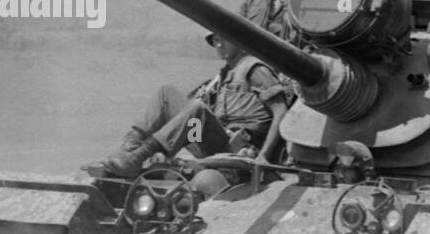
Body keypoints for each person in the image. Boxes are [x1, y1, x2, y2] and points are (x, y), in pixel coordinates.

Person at [85, 33, 290, 178]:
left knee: (197, 109)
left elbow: (280, 111)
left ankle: (139, 158)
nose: (218, 45)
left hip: (237, 150)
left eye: (223, 39)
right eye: (215, 40)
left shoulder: (254, 68)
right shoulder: (224, 75)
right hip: (206, 142)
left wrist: (264, 156)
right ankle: (128, 152)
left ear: (237, 40)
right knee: (166, 94)